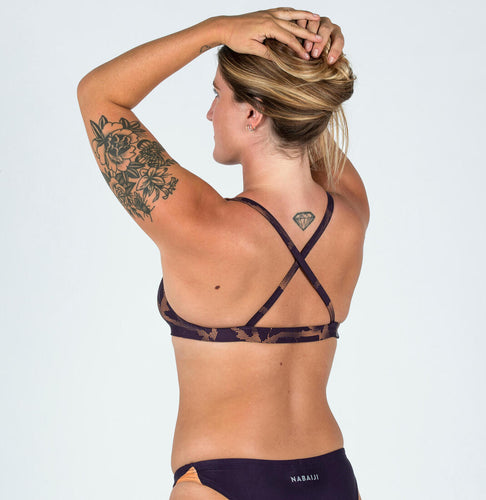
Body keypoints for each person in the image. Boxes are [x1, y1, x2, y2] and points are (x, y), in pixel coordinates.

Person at [77, 8, 369, 499]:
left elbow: (98, 93)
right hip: (331, 476)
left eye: (217, 95)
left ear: (253, 113)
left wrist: (218, 29)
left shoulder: (198, 223)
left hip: (224, 480)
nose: (210, 113)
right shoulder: (351, 213)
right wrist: (309, 61)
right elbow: (306, 124)